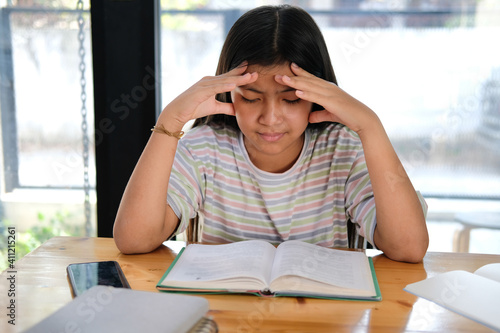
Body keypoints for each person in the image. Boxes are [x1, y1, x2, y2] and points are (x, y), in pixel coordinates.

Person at [113, 5, 429, 262]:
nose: (270, 118)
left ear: (319, 95)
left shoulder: (342, 150)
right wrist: (170, 121)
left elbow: (409, 247)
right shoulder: (204, 148)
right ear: (229, 90)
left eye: (291, 100)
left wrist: (369, 126)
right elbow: (133, 239)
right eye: (251, 98)